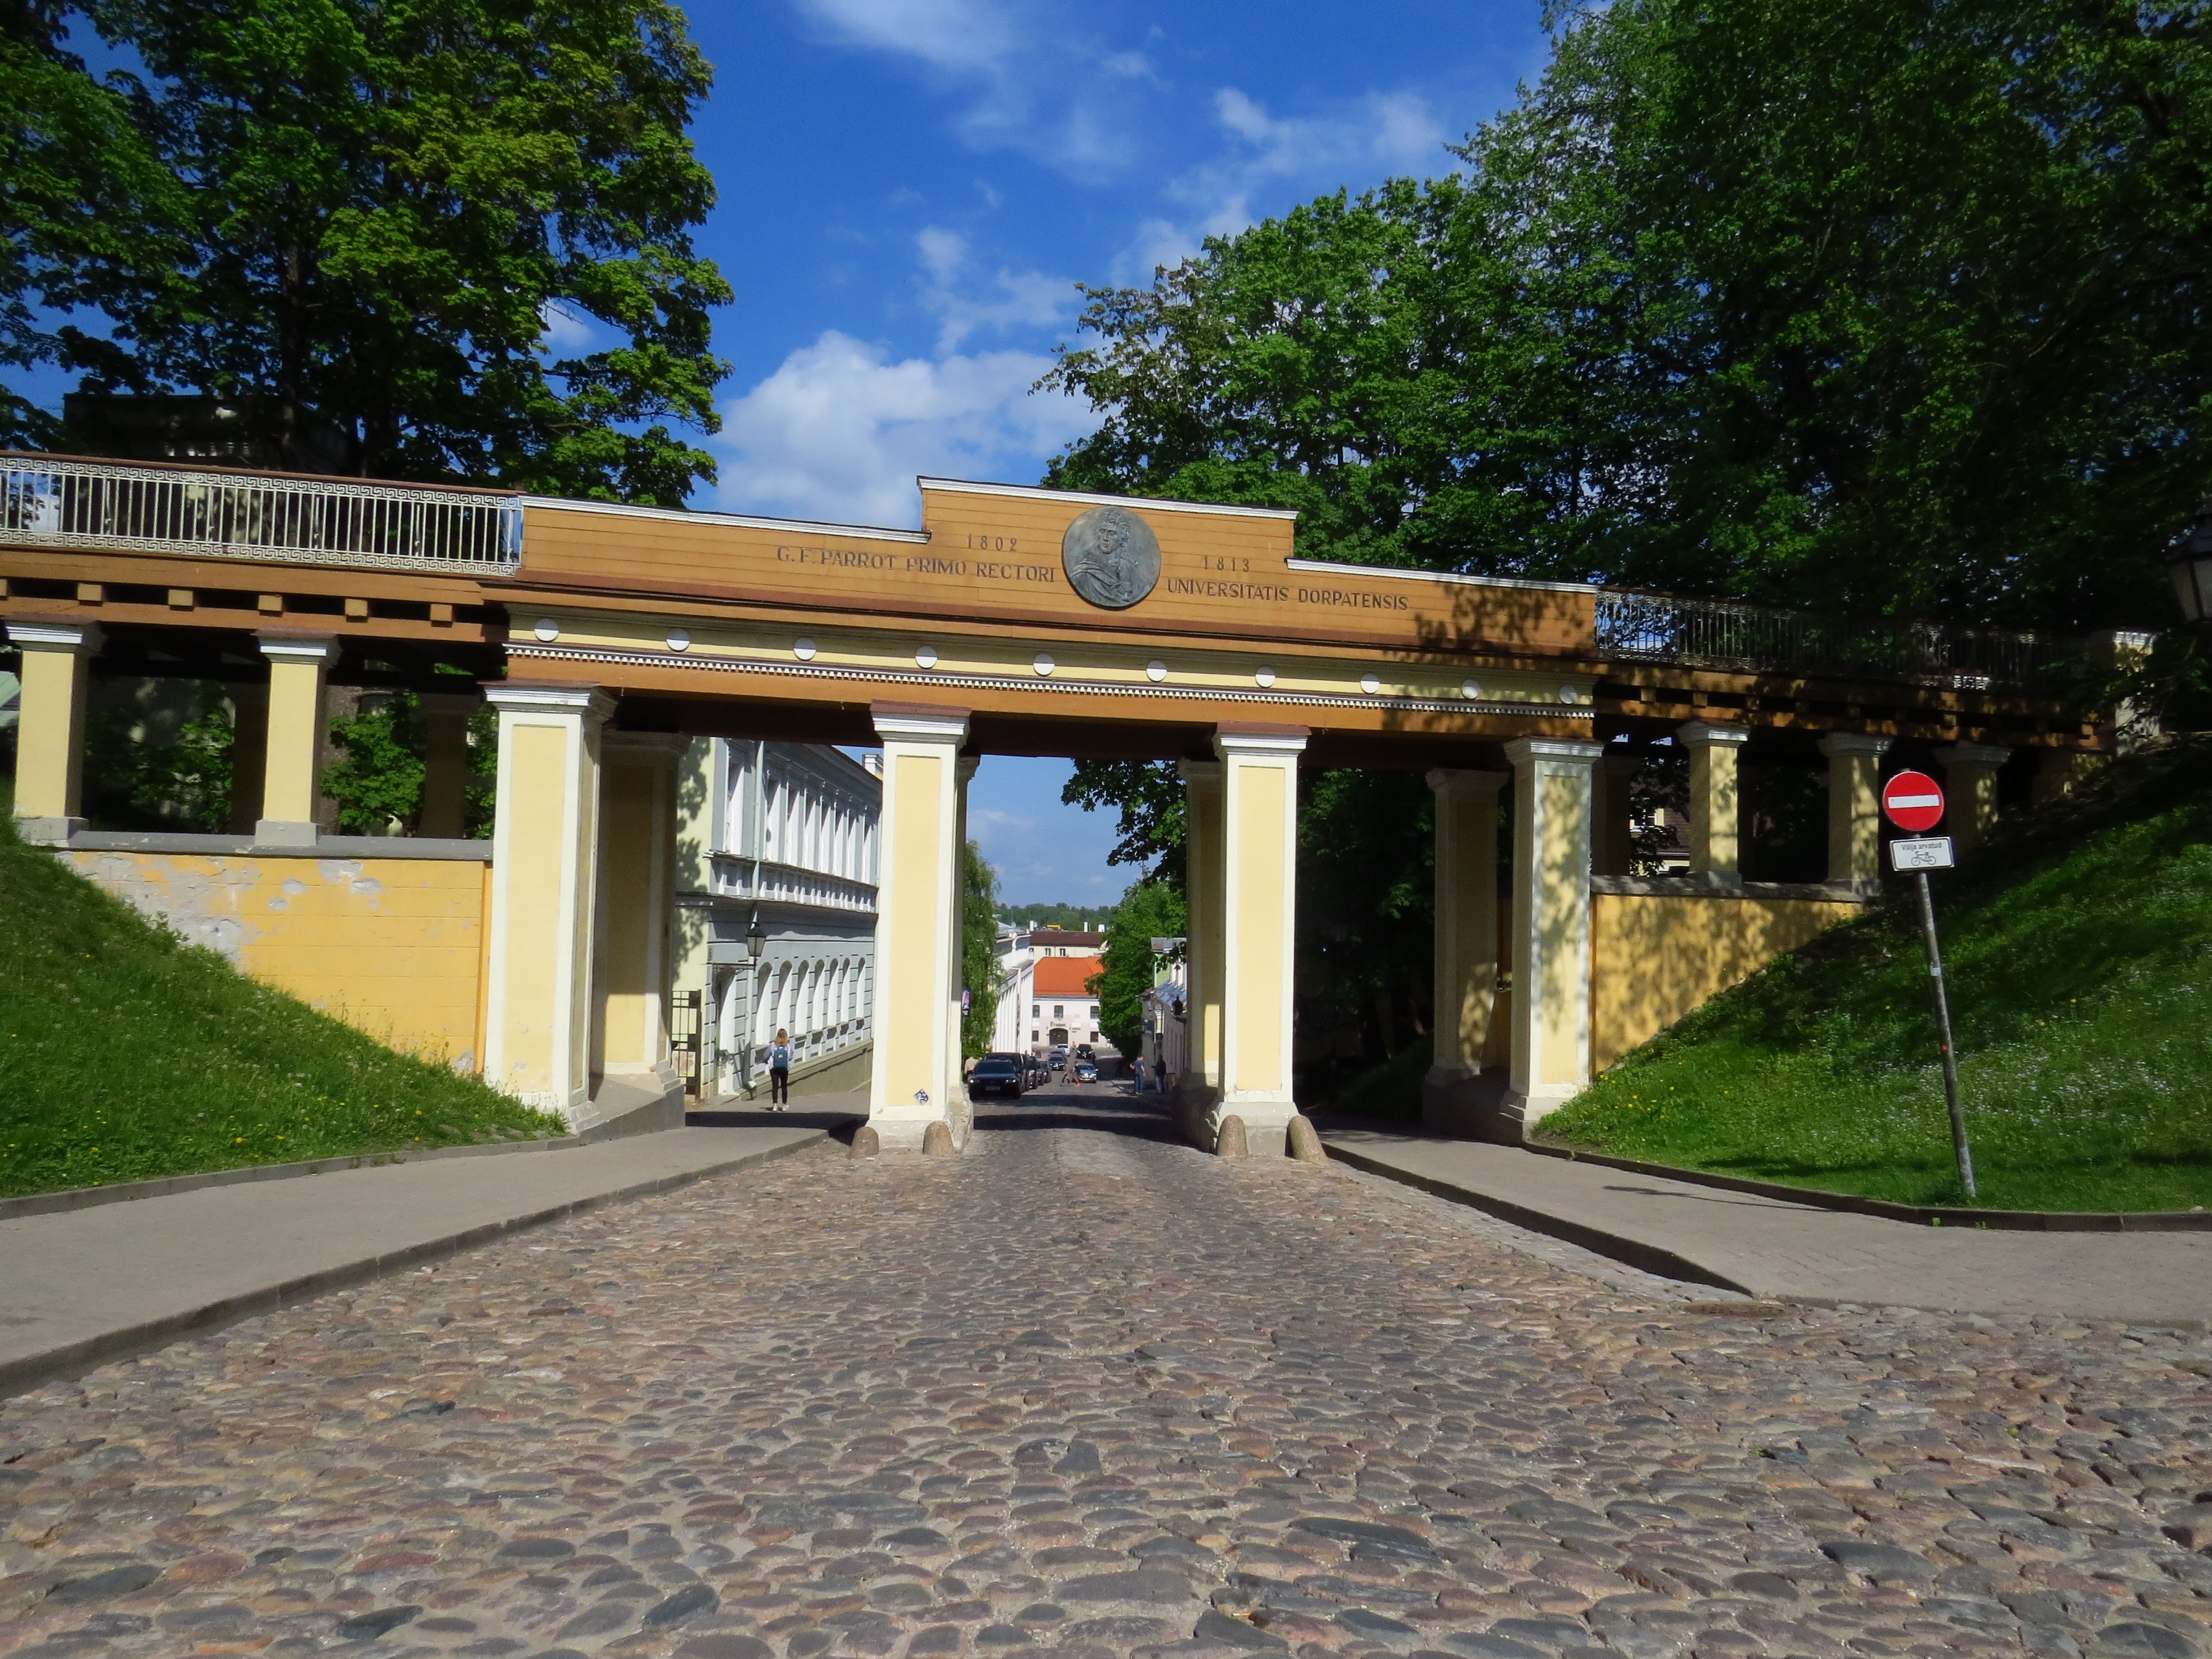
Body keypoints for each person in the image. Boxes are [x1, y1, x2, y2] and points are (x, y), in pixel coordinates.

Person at [767, 1028, 791, 1110]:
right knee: (784, 1086)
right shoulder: (788, 1045)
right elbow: (790, 1057)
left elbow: (766, 1055)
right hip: (784, 1068)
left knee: (775, 1086)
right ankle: (784, 1105)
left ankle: (775, 1105)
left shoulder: (773, 1045)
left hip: (774, 1068)